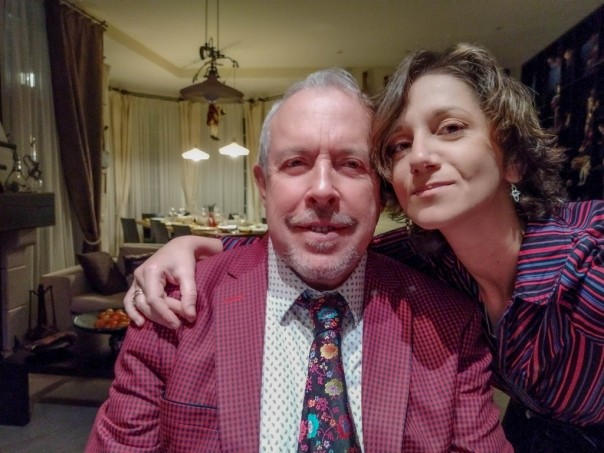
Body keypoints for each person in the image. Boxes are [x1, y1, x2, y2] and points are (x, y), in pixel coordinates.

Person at [125, 44, 604, 452]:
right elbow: (310, 238)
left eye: (451, 128)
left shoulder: (588, 260)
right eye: (399, 145)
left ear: (514, 158)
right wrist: (193, 244)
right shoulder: (429, 260)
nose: (420, 156)